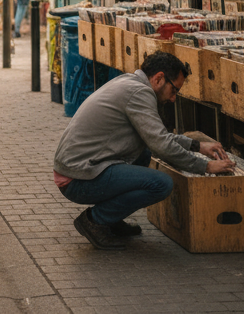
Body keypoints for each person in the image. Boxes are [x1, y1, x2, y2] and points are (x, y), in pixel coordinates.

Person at [53, 51, 233, 250]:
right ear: (158, 79)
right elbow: (161, 144)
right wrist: (205, 166)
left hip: (78, 170)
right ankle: (95, 221)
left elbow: (156, 136)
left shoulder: (130, 83)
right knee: (161, 184)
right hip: (77, 178)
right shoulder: (140, 93)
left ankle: (111, 220)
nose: (174, 99)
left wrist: (197, 145)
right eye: (174, 90)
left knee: (144, 154)